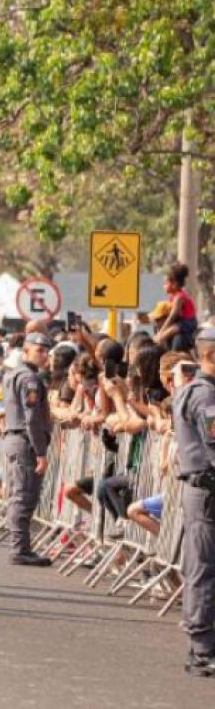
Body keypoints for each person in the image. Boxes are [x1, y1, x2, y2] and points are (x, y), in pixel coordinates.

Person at [174, 327, 215, 677]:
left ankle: (202, 643)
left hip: (201, 488)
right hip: (207, 489)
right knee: (203, 567)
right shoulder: (205, 396)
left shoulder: (196, 391)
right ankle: (202, 649)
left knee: (202, 565)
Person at [2, 332, 54, 567]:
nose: (43, 355)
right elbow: (32, 418)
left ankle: (21, 546)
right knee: (24, 495)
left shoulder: (15, 374)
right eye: (38, 350)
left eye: (46, 351)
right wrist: (41, 452)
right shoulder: (29, 379)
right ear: (26, 351)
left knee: (19, 494)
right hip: (25, 441)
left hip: (17, 439)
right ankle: (19, 548)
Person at [156, 262, 199, 352]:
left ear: (174, 284)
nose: (164, 286)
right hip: (181, 322)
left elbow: (172, 316)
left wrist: (161, 332)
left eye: (166, 283)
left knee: (170, 331)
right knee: (168, 331)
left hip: (188, 322)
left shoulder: (179, 297)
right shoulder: (173, 296)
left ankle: (158, 340)